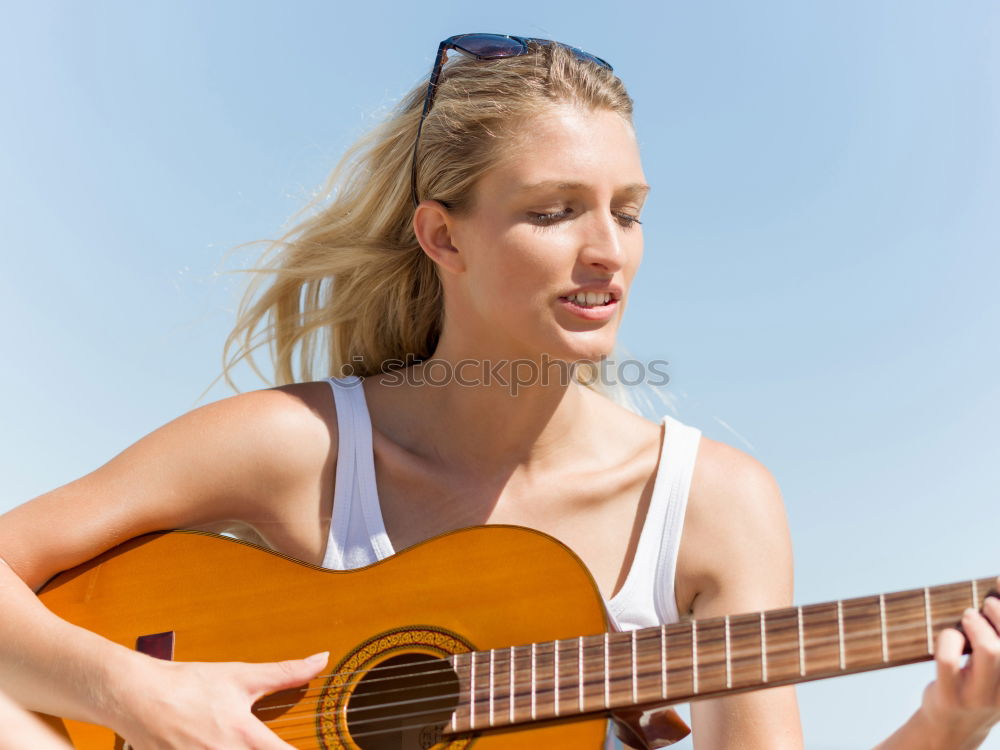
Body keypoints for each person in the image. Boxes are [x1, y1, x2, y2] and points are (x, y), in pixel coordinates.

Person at [0, 33, 997, 750]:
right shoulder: (299, 446)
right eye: (555, 211)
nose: (606, 253)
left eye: (629, 212)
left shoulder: (710, 504)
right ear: (444, 237)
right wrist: (138, 695)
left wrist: (945, 728)